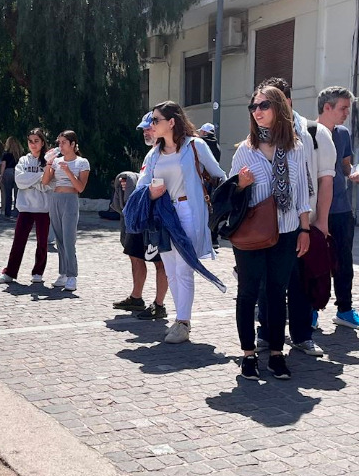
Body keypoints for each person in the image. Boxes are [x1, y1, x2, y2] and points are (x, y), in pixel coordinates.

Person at [231, 87, 310, 380]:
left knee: (278, 293)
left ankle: (277, 354)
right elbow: (231, 194)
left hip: (287, 230)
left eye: (263, 105)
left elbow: (302, 191)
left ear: (278, 107)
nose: (257, 111)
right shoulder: (245, 150)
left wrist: (304, 228)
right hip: (252, 232)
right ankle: (248, 355)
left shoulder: (295, 148)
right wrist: (240, 183)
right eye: (253, 106)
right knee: (248, 293)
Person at [134, 102, 226, 344]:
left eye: (156, 120)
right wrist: (151, 194)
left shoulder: (195, 146)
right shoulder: (153, 153)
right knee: (171, 271)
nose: (152, 125)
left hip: (188, 210)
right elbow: (142, 186)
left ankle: (183, 322)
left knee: (184, 269)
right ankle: (179, 319)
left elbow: (219, 175)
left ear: (171, 122)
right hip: (163, 214)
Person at [254, 78, 333, 357]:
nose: (262, 109)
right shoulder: (260, 134)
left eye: (270, 103)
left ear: (287, 101)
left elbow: (325, 180)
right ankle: (266, 332)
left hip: (302, 220)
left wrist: (320, 222)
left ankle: (301, 335)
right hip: (267, 222)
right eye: (259, 104)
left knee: (300, 281)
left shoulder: (313, 132)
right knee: (266, 282)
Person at [111, 113, 169, 320]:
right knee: (134, 254)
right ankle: (136, 297)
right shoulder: (151, 153)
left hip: (157, 216)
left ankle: (159, 304)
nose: (146, 131)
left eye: (149, 127)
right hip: (142, 211)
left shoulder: (168, 152)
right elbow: (146, 180)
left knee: (160, 261)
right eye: (144, 129)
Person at [317, 86, 359, 329]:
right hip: (315, 210)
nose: (346, 113)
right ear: (327, 107)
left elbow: (345, 167)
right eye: (343, 108)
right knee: (316, 263)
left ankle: (344, 310)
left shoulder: (342, 133)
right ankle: (311, 310)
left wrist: (353, 172)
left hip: (342, 209)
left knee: (343, 262)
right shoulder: (307, 133)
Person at [0, 129, 53, 284]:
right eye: (30, 141)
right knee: (18, 241)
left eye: (36, 141)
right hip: (25, 208)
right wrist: (40, 178)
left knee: (42, 242)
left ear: (42, 142)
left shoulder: (49, 161)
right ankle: (10, 273)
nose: (33, 144)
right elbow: (20, 182)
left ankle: (38, 272)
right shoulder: (23, 161)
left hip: (43, 208)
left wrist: (33, 181)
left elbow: (49, 184)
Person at [41, 131, 90, 292]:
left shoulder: (82, 162)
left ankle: (72, 276)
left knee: (69, 239)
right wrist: (49, 164)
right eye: (59, 142)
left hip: (70, 200)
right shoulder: (57, 161)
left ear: (73, 144)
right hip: (55, 198)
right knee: (59, 239)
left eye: (63, 142)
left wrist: (68, 171)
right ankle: (62, 273)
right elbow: (45, 182)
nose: (60, 146)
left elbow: (80, 188)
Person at [1, 136, 23, 218]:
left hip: (8, 172)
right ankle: (17, 211)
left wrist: (1, 175)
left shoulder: (6, 153)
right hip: (18, 172)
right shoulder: (20, 154)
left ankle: (7, 212)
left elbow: (4, 165)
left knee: (8, 193)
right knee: (17, 193)